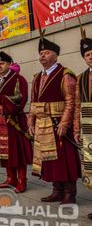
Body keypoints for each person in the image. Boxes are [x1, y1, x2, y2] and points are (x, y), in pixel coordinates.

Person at [28, 35, 80, 204]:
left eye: (47, 52)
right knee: (49, 160)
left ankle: (69, 193)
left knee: (64, 159)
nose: (43, 55)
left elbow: (71, 101)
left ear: (56, 55)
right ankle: (57, 190)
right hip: (42, 124)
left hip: (58, 124)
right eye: (41, 53)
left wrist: (65, 123)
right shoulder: (37, 77)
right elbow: (33, 102)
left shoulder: (65, 74)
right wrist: (30, 122)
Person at [0, 50, 32, 193]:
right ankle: (11, 178)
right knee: (5, 152)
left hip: (13, 121)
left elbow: (21, 97)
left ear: (9, 64)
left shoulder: (18, 79)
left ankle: (22, 180)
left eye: (2, 63)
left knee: (18, 152)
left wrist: (1, 98)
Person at [75, 34, 92, 220]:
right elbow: (77, 105)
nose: (91, 56)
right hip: (88, 126)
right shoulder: (81, 78)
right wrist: (76, 129)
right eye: (87, 54)